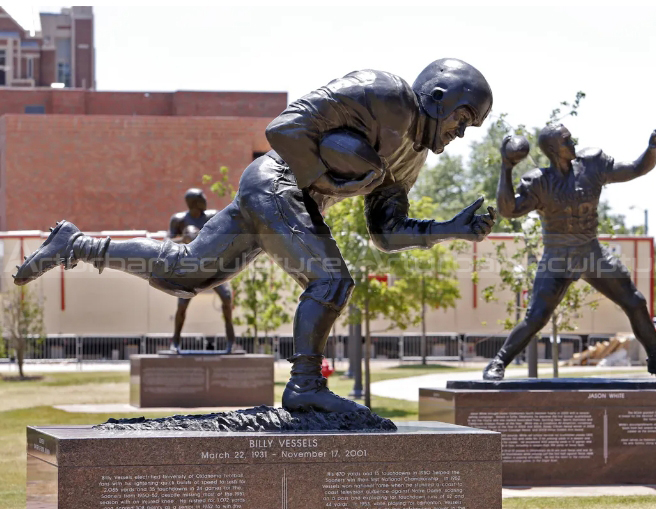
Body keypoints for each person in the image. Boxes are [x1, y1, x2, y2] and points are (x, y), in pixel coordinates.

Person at [14, 58, 497, 412]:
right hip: (278, 180)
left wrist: (450, 228)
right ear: (438, 98)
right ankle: (305, 384)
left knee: (187, 275)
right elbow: (285, 127)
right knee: (331, 282)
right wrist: (335, 179)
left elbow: (385, 234)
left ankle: (75, 244)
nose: (462, 132)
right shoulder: (382, 91)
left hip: (291, 195)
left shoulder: (411, 160)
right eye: (463, 118)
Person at [484, 124, 656, 380]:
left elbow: (637, 168)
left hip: (591, 253)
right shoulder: (540, 181)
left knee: (635, 302)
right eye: (566, 140)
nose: (573, 142)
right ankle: (498, 363)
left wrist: (652, 148)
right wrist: (506, 167)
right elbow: (508, 210)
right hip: (558, 257)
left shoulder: (591, 166)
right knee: (536, 318)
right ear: (552, 149)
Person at [167, 188, 235, 353]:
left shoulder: (212, 216)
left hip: (210, 266)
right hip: (190, 268)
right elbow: (167, 241)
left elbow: (226, 230)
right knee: (182, 304)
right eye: (202, 197)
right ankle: (175, 341)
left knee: (227, 298)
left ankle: (231, 340)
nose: (205, 199)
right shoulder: (179, 220)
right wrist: (183, 238)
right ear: (194, 202)